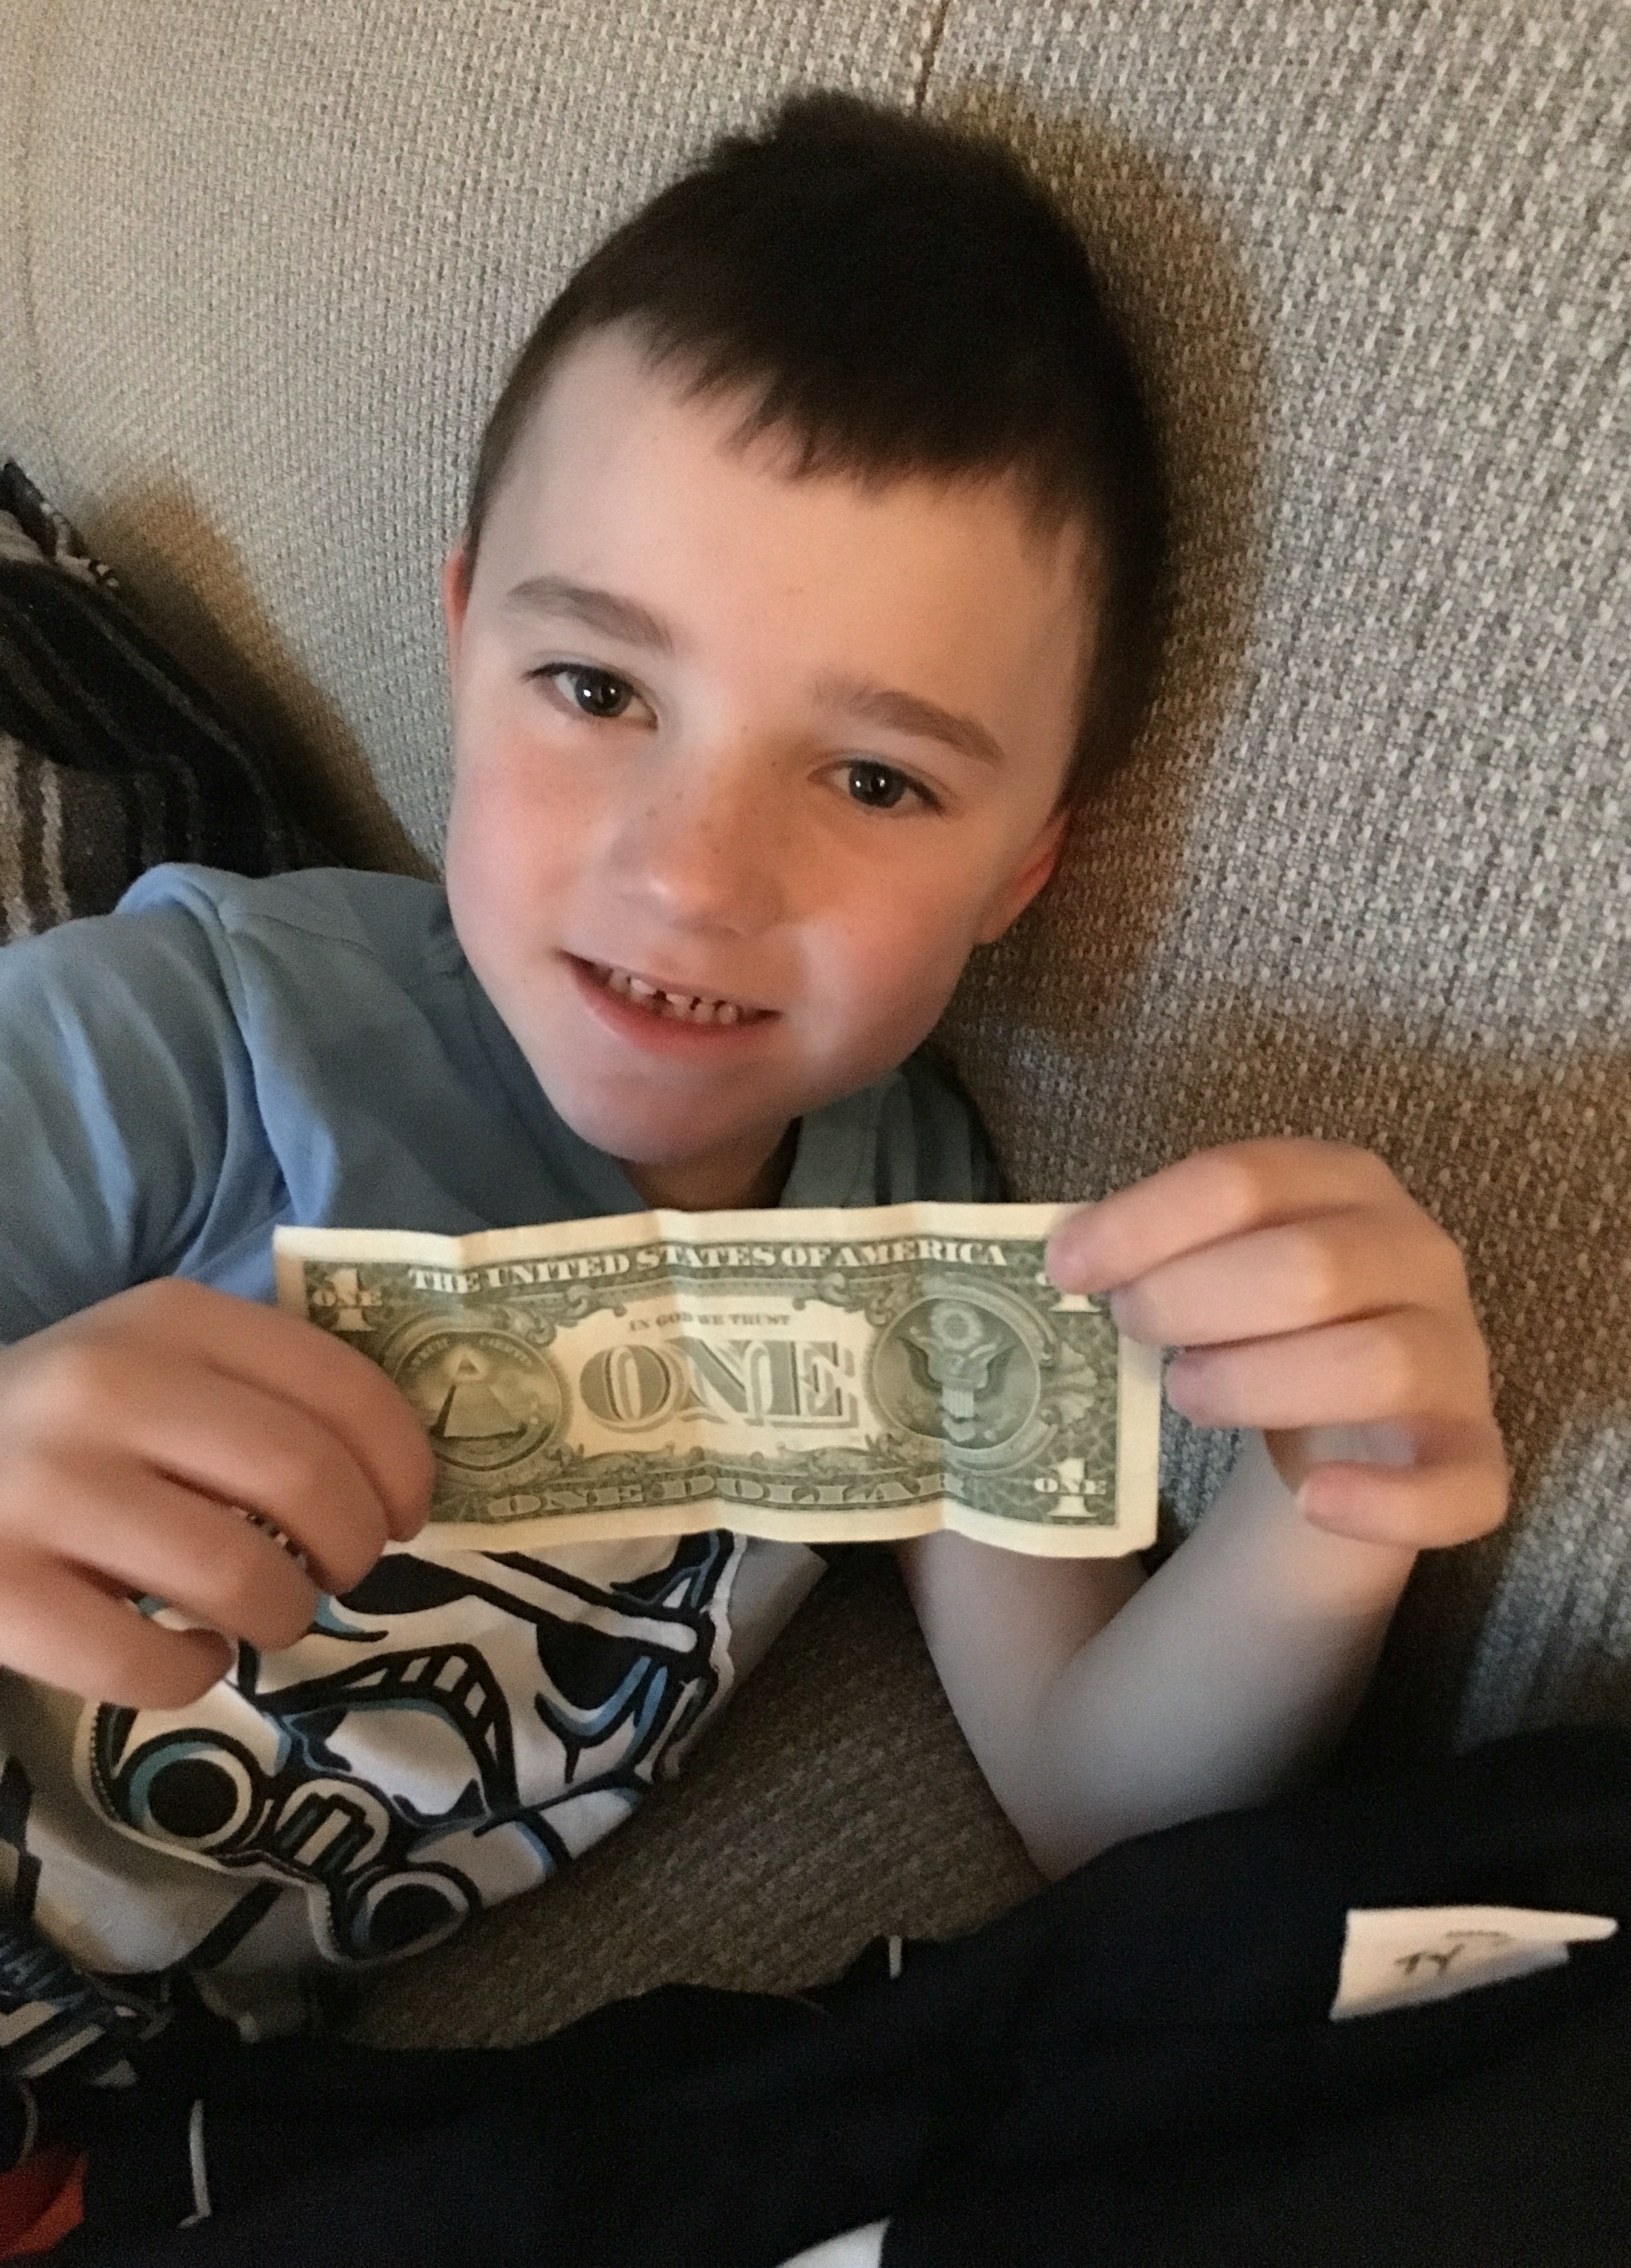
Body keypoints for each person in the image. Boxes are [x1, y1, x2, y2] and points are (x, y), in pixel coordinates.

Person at [0, 88, 1504, 2188]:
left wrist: (1334, 1515)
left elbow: (1095, 1802)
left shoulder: (926, 1234)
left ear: (1025, 868)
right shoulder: (191, 1036)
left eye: (878, 781)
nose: (693, 876)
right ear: (463, 644)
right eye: (597, 689)